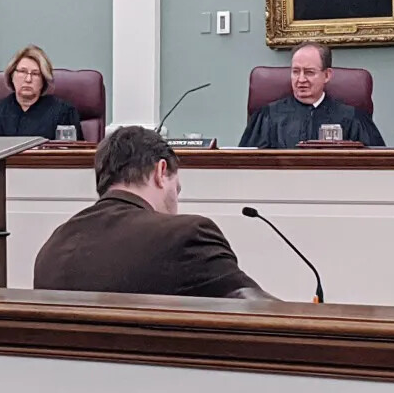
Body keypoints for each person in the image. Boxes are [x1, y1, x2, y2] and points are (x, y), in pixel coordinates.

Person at [34, 126, 276, 300]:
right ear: (161, 172)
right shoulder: (185, 237)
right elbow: (259, 313)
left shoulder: (53, 246)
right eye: (177, 189)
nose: (176, 203)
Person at [239, 41, 385, 149]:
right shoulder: (267, 117)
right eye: (296, 72)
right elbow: (245, 166)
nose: (301, 80)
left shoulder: (353, 118)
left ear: (327, 75)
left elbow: (376, 166)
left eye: (309, 72)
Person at [0, 44, 84, 140]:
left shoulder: (63, 113)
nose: (28, 79)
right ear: (12, 75)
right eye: (22, 72)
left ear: (43, 80)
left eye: (35, 74)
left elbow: (73, 158)